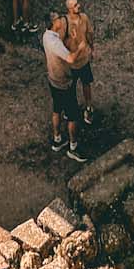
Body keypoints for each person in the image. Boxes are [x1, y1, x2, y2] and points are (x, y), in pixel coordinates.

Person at [42, 9, 84, 160]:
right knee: (73, 117)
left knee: (57, 109)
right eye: (59, 18)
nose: (62, 19)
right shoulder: (54, 42)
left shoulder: (47, 36)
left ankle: (57, 139)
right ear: (54, 23)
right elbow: (71, 59)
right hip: (64, 83)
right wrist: (80, 46)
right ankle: (73, 147)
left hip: (53, 80)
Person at [65, 0, 96, 125]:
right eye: (76, 5)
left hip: (83, 60)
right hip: (71, 63)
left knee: (86, 83)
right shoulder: (65, 23)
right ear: (70, 9)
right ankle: (71, 110)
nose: (79, 6)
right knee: (70, 88)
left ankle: (88, 107)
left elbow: (89, 33)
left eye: (78, 4)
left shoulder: (84, 18)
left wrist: (92, 48)